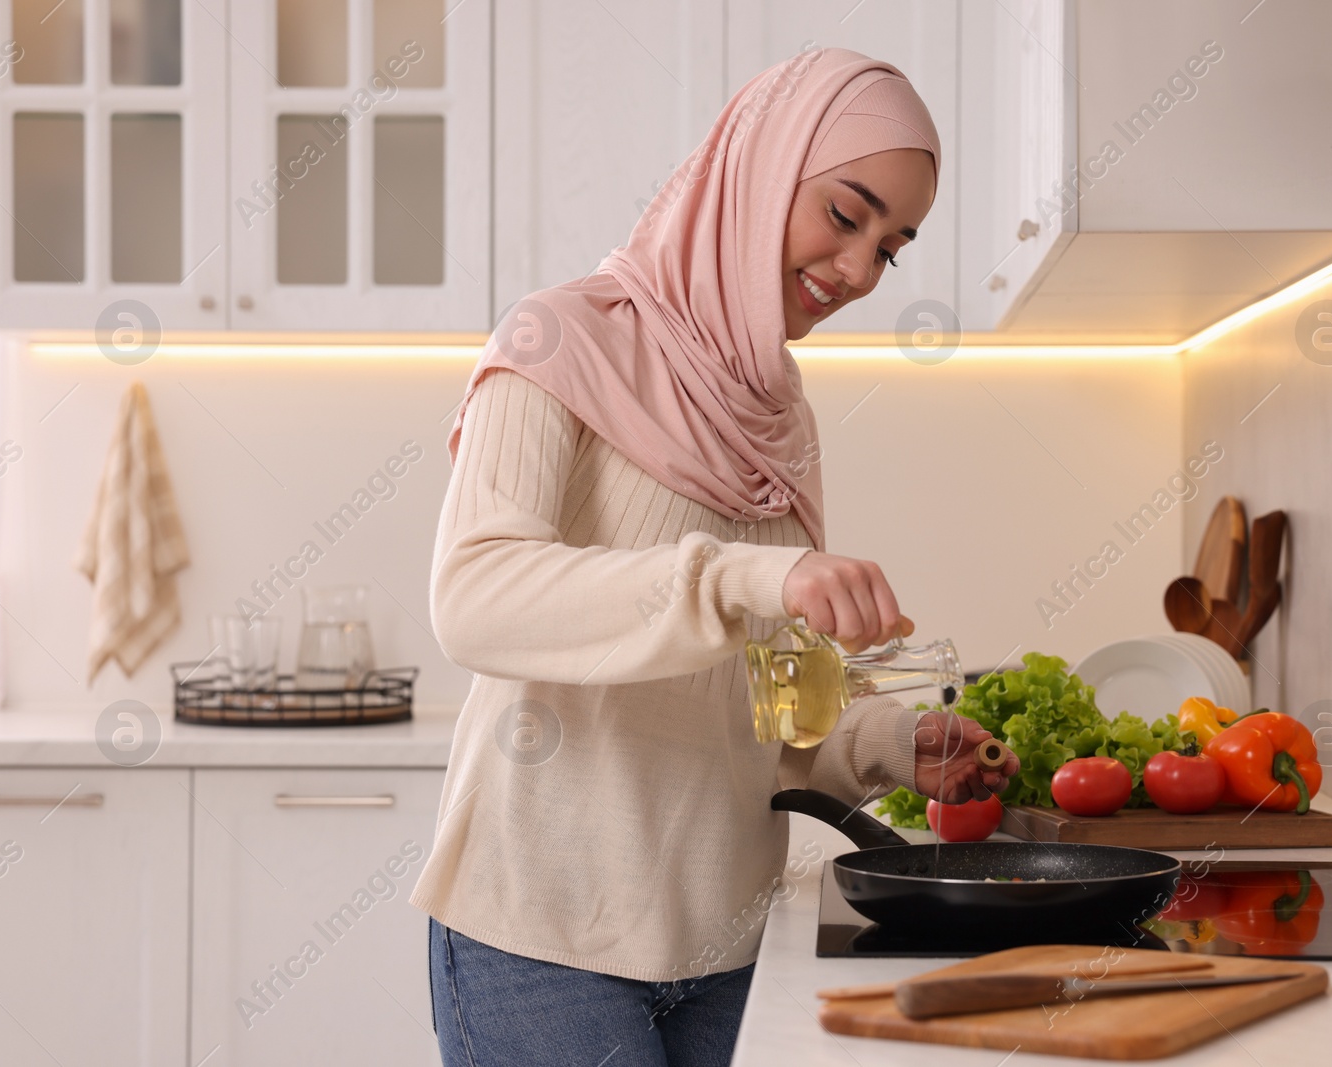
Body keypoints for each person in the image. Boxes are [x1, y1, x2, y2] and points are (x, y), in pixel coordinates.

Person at [413, 46, 1020, 1067]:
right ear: (759, 171)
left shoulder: (775, 412)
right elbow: (475, 598)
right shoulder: (561, 338)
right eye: (845, 213)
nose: (861, 269)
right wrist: (746, 575)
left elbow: (752, 717)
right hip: (541, 940)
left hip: (728, 941)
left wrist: (886, 743)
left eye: (893, 246)